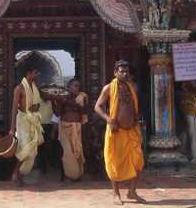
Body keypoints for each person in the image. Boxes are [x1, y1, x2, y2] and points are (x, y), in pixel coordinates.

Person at [95, 60, 145, 205]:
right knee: (114, 163)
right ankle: (116, 194)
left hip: (132, 131)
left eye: (126, 71)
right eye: (121, 71)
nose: (124, 74)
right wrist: (108, 119)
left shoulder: (132, 87)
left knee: (138, 162)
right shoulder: (109, 88)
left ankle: (132, 192)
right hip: (116, 131)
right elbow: (97, 107)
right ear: (115, 72)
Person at [10, 67, 46, 186]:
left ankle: (19, 175)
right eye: (35, 72)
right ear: (28, 73)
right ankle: (15, 173)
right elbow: (15, 108)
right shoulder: (19, 88)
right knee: (25, 149)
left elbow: (39, 102)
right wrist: (12, 128)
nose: (37, 75)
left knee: (31, 151)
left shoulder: (35, 87)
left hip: (33, 119)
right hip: (23, 121)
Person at [54, 78, 89, 181]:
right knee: (67, 151)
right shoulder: (63, 97)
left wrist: (77, 103)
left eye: (78, 86)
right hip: (65, 128)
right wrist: (55, 101)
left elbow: (84, 111)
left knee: (77, 150)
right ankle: (69, 174)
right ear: (69, 87)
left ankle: (77, 174)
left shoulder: (82, 97)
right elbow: (57, 113)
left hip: (77, 127)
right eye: (74, 85)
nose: (77, 88)